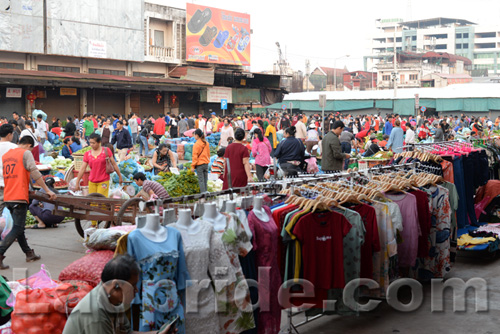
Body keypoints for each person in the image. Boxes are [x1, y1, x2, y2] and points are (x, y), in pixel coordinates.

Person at [63, 254, 176, 334]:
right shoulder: (97, 314)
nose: (136, 290)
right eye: (132, 285)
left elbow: (126, 333)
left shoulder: (114, 299)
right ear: (116, 286)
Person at [0, 136, 57, 269]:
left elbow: (22, 173)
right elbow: (35, 172)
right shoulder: (25, 153)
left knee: (19, 228)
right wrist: (47, 190)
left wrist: (31, 186)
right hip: (18, 196)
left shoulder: (7, 155)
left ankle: (29, 253)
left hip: (8, 195)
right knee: (18, 228)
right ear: (29, 145)